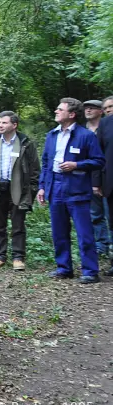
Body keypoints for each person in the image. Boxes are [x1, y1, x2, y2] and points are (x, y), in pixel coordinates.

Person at [37, 98, 105, 284]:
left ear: (72, 114)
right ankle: (64, 268)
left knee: (84, 232)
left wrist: (77, 164)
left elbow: (99, 161)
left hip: (77, 188)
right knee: (59, 231)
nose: (56, 112)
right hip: (55, 186)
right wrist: (42, 187)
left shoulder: (85, 136)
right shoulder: (51, 135)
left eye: (60, 109)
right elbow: (45, 163)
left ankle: (90, 271)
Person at [0, 111, 40, 271]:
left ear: (14, 125)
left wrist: (31, 191)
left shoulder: (25, 144)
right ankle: (0, 256)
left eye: (4, 122)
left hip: (18, 190)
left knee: (18, 226)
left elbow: (35, 169)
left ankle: (18, 258)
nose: (0, 125)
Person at [84, 100, 111, 260]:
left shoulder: (107, 128)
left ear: (100, 111)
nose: (88, 110)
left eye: (92, 108)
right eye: (86, 108)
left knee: (109, 215)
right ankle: (101, 246)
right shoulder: (81, 130)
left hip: (107, 177)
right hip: (88, 178)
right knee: (95, 215)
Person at [98, 99, 113, 276]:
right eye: (106, 108)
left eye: (112, 106)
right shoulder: (105, 124)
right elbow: (99, 155)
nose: (109, 110)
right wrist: (97, 183)